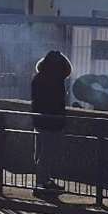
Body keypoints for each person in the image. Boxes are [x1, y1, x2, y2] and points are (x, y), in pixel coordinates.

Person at [28, 51, 70, 198]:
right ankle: (42, 184)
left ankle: (44, 181)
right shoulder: (57, 80)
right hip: (53, 120)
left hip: (39, 119)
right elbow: (57, 102)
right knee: (47, 153)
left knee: (41, 152)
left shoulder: (38, 78)